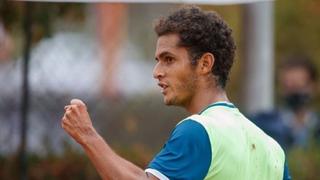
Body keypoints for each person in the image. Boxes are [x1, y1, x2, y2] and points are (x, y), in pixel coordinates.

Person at [61, 6, 291, 180]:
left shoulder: (200, 131)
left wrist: (88, 135)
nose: (157, 72)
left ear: (204, 64)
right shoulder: (273, 150)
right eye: (157, 61)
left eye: (168, 60)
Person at [251, 55, 319, 150]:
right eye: (288, 86)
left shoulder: (316, 128)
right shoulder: (263, 126)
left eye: (298, 86)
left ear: (313, 86)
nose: (294, 92)